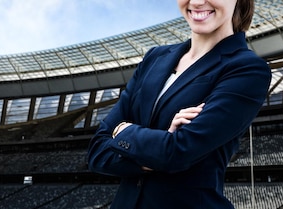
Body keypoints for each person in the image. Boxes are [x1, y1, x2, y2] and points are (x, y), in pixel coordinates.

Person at [87, 0, 270, 208]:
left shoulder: (247, 69)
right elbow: (96, 151)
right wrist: (158, 148)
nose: (198, 2)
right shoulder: (154, 58)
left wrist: (122, 131)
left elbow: (177, 152)